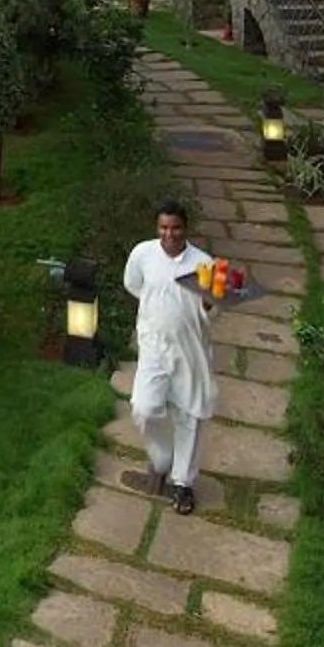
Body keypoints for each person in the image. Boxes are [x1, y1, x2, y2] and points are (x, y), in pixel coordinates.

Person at [122, 198, 217, 515]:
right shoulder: (143, 254)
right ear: (156, 227)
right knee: (144, 407)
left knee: (188, 415)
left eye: (175, 227)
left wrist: (206, 305)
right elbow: (134, 285)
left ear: (185, 228)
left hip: (189, 350)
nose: (169, 234)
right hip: (153, 347)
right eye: (163, 227)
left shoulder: (203, 264)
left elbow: (213, 308)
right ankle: (163, 458)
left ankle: (183, 483)